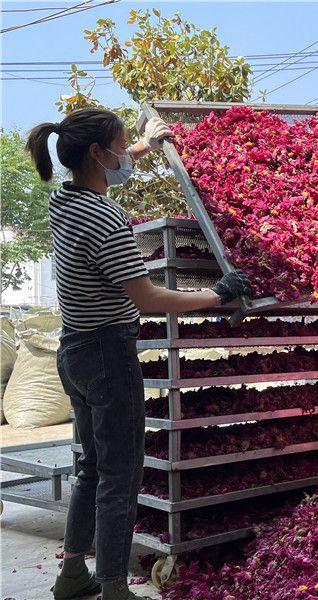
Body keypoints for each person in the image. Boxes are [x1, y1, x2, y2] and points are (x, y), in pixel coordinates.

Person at [26, 108, 251, 600]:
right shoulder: (106, 218)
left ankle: (72, 576)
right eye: (121, 146)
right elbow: (148, 298)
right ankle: (113, 587)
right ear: (97, 153)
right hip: (108, 353)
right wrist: (218, 295)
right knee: (122, 474)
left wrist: (145, 145)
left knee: (90, 467)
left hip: (75, 352)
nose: (126, 155)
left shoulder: (64, 202)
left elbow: (104, 183)